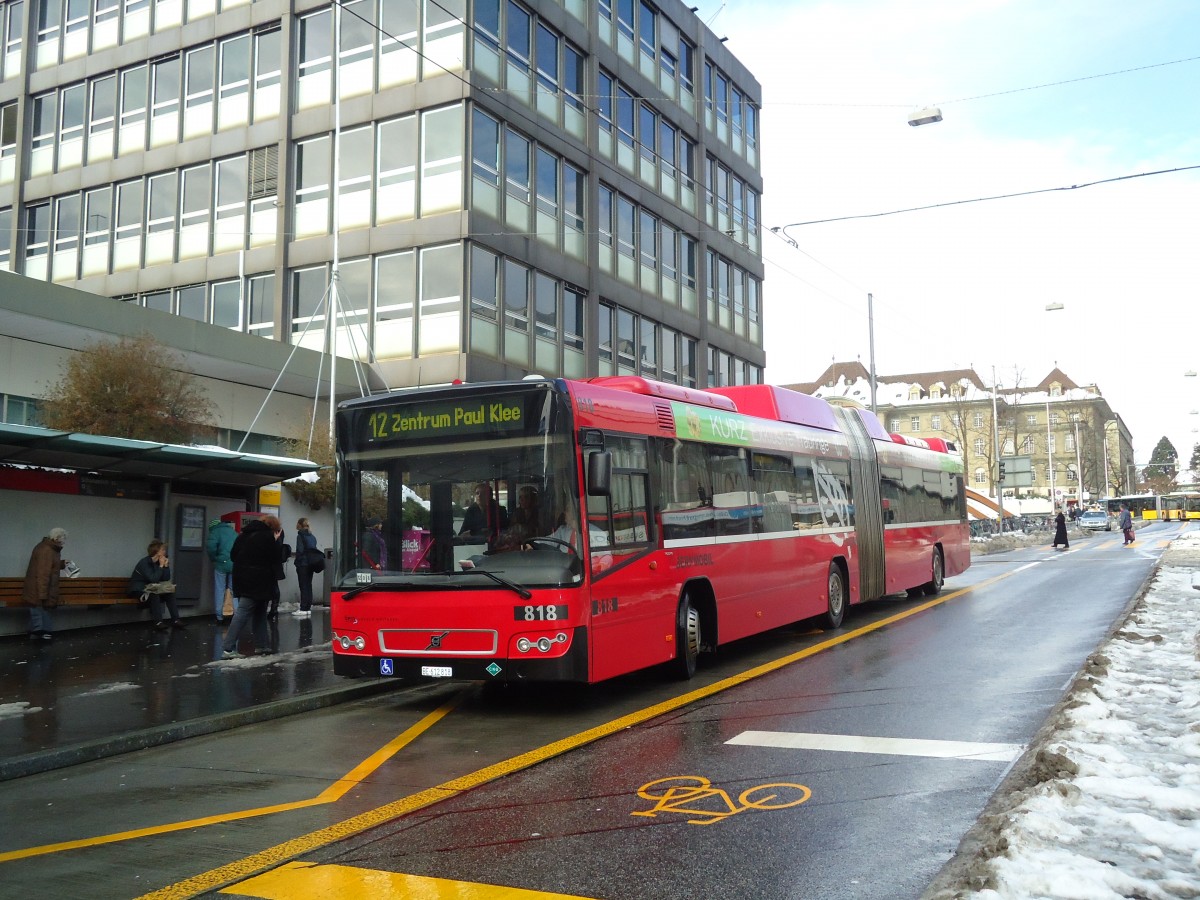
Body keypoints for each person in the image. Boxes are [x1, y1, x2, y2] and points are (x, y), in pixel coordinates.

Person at [221, 514, 282, 659]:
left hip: (242, 578)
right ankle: (228, 648)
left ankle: (262, 645)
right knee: (243, 612)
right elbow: (275, 558)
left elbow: (233, 556)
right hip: (259, 580)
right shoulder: (267, 537)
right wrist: (276, 541)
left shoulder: (243, 535)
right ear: (273, 527)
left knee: (260, 612)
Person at [23, 527, 70, 641]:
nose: (64, 541)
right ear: (56, 538)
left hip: (38, 587)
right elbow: (43, 573)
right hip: (39, 587)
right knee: (40, 609)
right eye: (63, 538)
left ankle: (37, 633)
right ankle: (41, 632)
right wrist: (43, 594)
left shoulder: (48, 548)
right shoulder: (47, 550)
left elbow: (49, 566)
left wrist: (62, 564)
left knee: (38, 610)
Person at [128, 539, 185, 629]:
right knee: (154, 594)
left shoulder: (158, 563)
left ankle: (176, 620)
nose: (165, 552)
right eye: (163, 550)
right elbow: (153, 579)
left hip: (151, 589)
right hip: (138, 590)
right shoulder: (144, 562)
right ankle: (158, 622)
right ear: (156, 552)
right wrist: (161, 566)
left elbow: (166, 578)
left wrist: (166, 566)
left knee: (169, 594)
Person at [205, 517, 237, 623]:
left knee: (220, 589)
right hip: (234, 564)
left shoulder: (214, 532)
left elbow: (211, 548)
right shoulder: (232, 531)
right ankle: (235, 614)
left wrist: (214, 559)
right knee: (233, 589)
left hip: (221, 564)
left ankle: (219, 616)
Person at [293, 517, 320, 618]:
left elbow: (300, 550)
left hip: (303, 564)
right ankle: (308, 607)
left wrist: (297, 562)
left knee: (303, 585)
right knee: (308, 585)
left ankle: (303, 608)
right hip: (311, 563)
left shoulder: (300, 535)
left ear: (300, 524)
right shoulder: (312, 536)